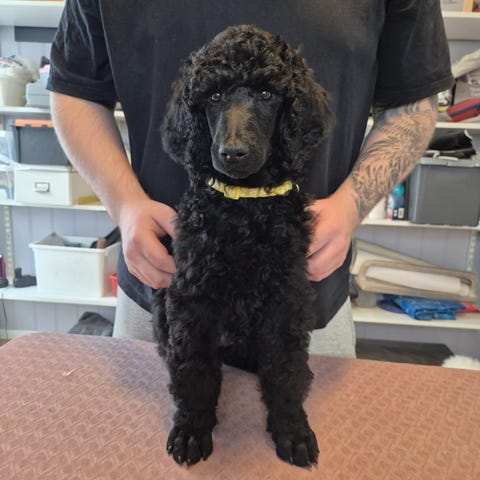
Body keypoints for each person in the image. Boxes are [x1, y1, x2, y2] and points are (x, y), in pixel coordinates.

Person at [47, 0, 453, 358]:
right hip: (164, 286)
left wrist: (352, 205)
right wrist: (124, 204)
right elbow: (75, 89)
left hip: (303, 297)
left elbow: (412, 103)